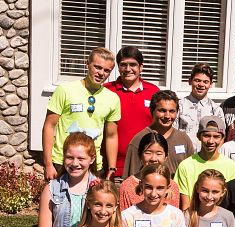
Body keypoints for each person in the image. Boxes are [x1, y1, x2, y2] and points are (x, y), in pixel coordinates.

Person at [42, 47, 120, 180]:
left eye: (107, 70)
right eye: (97, 67)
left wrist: (112, 167)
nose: (101, 73)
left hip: (93, 164)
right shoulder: (65, 90)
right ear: (87, 64)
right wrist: (48, 164)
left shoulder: (112, 98)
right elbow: (49, 126)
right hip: (62, 161)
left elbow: (111, 135)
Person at [105, 46, 160, 179]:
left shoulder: (153, 92)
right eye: (123, 65)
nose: (128, 69)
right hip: (113, 169)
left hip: (146, 169)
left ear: (141, 67)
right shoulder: (107, 91)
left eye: (133, 65)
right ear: (118, 67)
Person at [123, 90, 195, 177]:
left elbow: (190, 174)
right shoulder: (139, 140)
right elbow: (131, 180)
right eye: (162, 111)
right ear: (152, 111)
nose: (167, 116)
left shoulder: (184, 139)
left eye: (172, 111)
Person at [174, 116, 235, 210]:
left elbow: (232, 200)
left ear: (223, 138)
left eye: (216, 136)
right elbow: (185, 205)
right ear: (198, 136)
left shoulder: (230, 165)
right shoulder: (186, 165)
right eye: (206, 136)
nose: (211, 141)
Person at [119, 132, 180, 210]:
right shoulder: (127, 187)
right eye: (148, 153)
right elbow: (124, 220)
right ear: (139, 155)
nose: (153, 159)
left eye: (159, 153)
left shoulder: (172, 186)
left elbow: (174, 218)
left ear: (166, 156)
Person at [174, 63, 225, 152]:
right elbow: (173, 134)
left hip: (206, 158)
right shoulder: (179, 106)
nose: (201, 85)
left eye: (205, 82)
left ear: (211, 84)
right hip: (183, 156)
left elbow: (221, 138)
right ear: (190, 81)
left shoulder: (216, 110)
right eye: (197, 80)